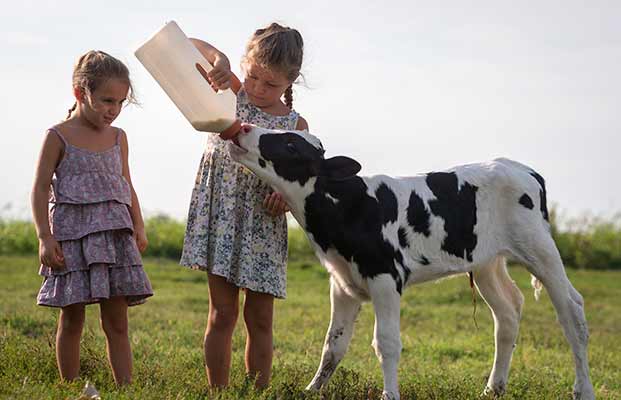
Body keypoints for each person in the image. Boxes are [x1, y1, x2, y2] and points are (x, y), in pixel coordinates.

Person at [180, 22, 309, 388]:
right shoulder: (229, 93)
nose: (257, 89)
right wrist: (219, 60)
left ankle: (258, 393)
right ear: (244, 67)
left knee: (260, 320)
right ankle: (218, 392)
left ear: (291, 80)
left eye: (270, 84)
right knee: (222, 314)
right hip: (220, 216)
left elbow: (299, 182)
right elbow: (185, 44)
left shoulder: (295, 125)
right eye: (252, 77)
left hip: (263, 225)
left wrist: (284, 197)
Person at [31, 50, 153, 385]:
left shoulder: (118, 138)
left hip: (114, 238)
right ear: (79, 93)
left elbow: (126, 184)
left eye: (120, 102)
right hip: (72, 241)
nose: (112, 110)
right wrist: (45, 236)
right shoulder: (58, 136)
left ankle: (126, 389)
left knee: (117, 323)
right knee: (71, 321)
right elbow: (41, 188)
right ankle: (70, 387)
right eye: (105, 100)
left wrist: (137, 225)